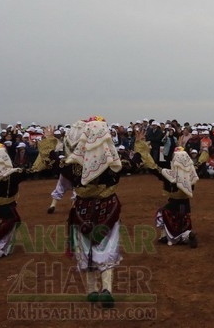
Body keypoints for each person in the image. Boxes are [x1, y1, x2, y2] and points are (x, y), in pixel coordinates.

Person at [65, 116, 123, 308]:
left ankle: (91, 290)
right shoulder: (113, 162)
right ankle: (106, 289)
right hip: (108, 207)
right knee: (108, 247)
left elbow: (50, 164)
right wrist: (139, 145)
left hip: (82, 208)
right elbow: (137, 162)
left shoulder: (73, 164)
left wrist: (49, 144)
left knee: (85, 246)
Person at [155, 147, 199, 247]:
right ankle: (188, 236)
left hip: (173, 204)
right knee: (184, 223)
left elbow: (155, 169)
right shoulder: (191, 173)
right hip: (186, 205)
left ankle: (165, 237)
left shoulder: (171, 174)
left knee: (161, 213)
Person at [0, 143, 27, 257]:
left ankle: (3, 247)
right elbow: (32, 171)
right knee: (12, 220)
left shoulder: (13, 174)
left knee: (14, 220)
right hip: (5, 203)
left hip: (6, 203)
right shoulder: (14, 174)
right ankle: (1, 248)